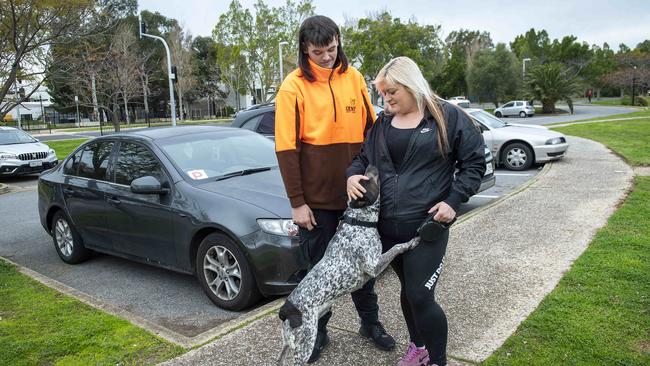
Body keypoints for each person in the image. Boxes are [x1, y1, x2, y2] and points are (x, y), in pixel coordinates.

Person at [346, 57, 486, 366]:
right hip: (388, 228)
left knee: (421, 295)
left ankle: (437, 360)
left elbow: (474, 164)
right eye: (382, 93)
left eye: (392, 91)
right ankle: (418, 349)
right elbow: (362, 157)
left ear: (411, 85)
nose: (387, 99)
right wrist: (352, 175)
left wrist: (453, 200)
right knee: (409, 293)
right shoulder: (383, 122)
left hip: (427, 227)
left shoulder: (446, 116)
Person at [274, 15, 395, 363]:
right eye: (318, 52)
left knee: (364, 269)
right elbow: (285, 148)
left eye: (331, 48)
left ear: (338, 40)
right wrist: (297, 203)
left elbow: (371, 132)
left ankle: (370, 324)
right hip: (318, 203)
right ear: (304, 49)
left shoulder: (354, 77)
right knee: (320, 272)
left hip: (357, 199)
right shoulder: (292, 87)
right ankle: (319, 332)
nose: (327, 57)